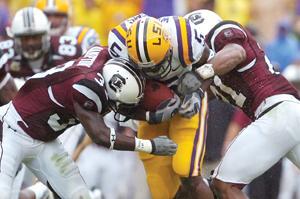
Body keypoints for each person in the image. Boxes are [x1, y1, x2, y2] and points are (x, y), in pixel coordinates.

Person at [0, 45, 178, 199]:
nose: (121, 108)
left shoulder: (106, 57)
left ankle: (38, 192)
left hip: (45, 141)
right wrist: (150, 146)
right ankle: (38, 192)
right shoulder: (87, 89)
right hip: (9, 131)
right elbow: (102, 137)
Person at [180, 9, 300, 198]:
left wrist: (198, 75)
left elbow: (236, 52)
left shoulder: (221, 35)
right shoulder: (213, 72)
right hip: (290, 113)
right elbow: (195, 96)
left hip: (275, 111)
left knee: (223, 186)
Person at [109, 15, 213, 198]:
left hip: (185, 101)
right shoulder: (119, 45)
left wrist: (198, 92)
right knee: (159, 182)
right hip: (149, 107)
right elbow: (117, 102)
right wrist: (150, 116)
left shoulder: (183, 37)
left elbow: (211, 64)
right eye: (146, 68)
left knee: (185, 169)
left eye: (158, 64)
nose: (153, 72)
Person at [35, 0, 101, 53]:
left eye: (57, 16)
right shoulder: (30, 39)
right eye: (47, 15)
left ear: (67, 17)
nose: (52, 20)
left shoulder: (83, 35)